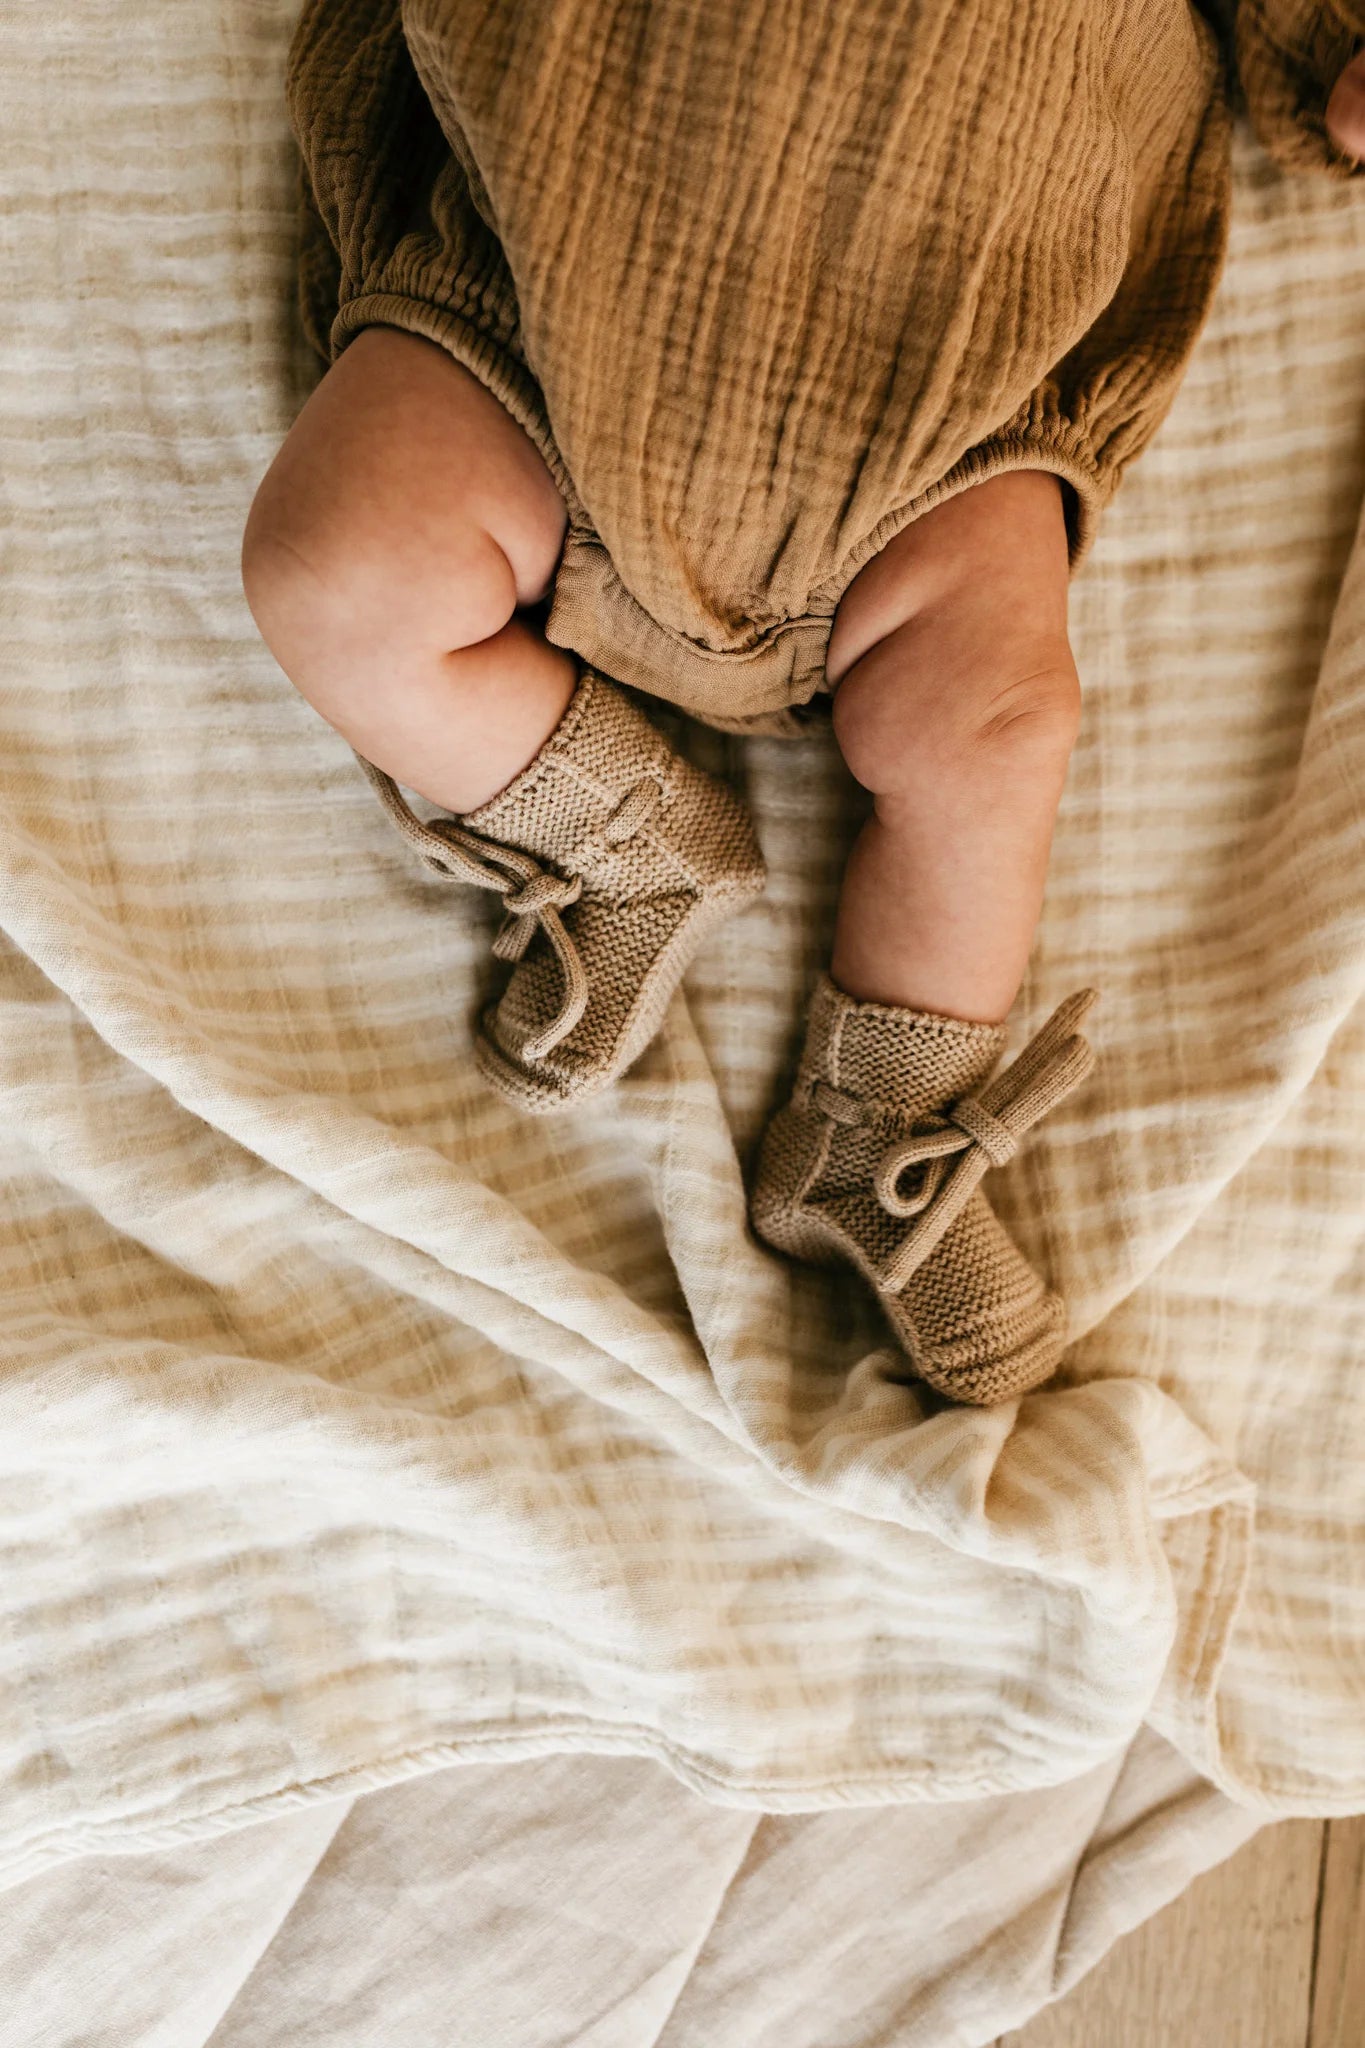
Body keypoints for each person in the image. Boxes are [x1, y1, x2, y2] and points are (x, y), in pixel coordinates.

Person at [241, 0, 1365, 1404]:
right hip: (540, 293)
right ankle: (621, 835)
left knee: (996, 727)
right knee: (337, 566)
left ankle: (872, 1122)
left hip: (952, 396)